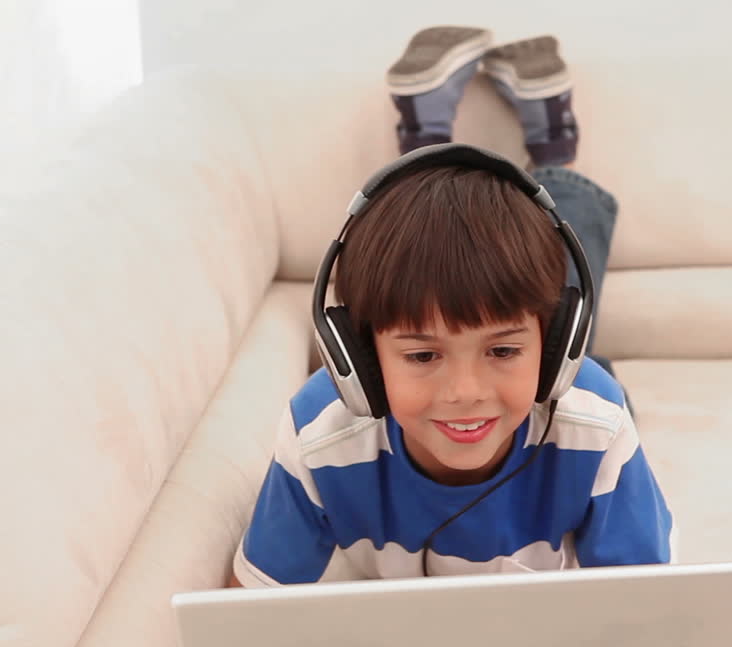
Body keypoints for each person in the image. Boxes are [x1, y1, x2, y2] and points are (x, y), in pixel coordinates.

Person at [228, 26, 671, 587]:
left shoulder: (595, 420)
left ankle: (540, 147)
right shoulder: (321, 435)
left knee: (555, 313)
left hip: (570, 400)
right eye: (421, 356)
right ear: (362, 355)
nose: (466, 391)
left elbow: (649, 610)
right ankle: (456, 141)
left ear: (557, 344)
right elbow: (249, 615)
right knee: (443, 263)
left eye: (504, 348)